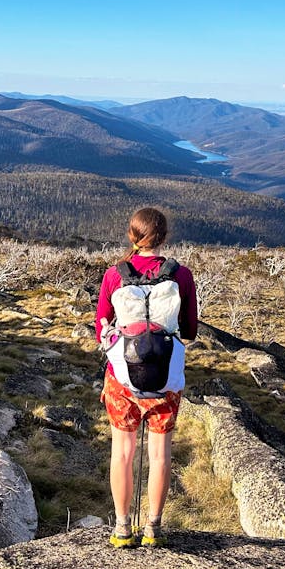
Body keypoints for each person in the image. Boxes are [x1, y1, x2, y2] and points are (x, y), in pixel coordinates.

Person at [95, 207, 197, 548]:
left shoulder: (115, 274)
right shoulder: (180, 275)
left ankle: (123, 528)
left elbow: (101, 325)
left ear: (132, 235)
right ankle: (154, 527)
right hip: (166, 378)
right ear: (164, 236)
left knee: (122, 453)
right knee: (160, 454)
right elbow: (191, 330)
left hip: (122, 377)